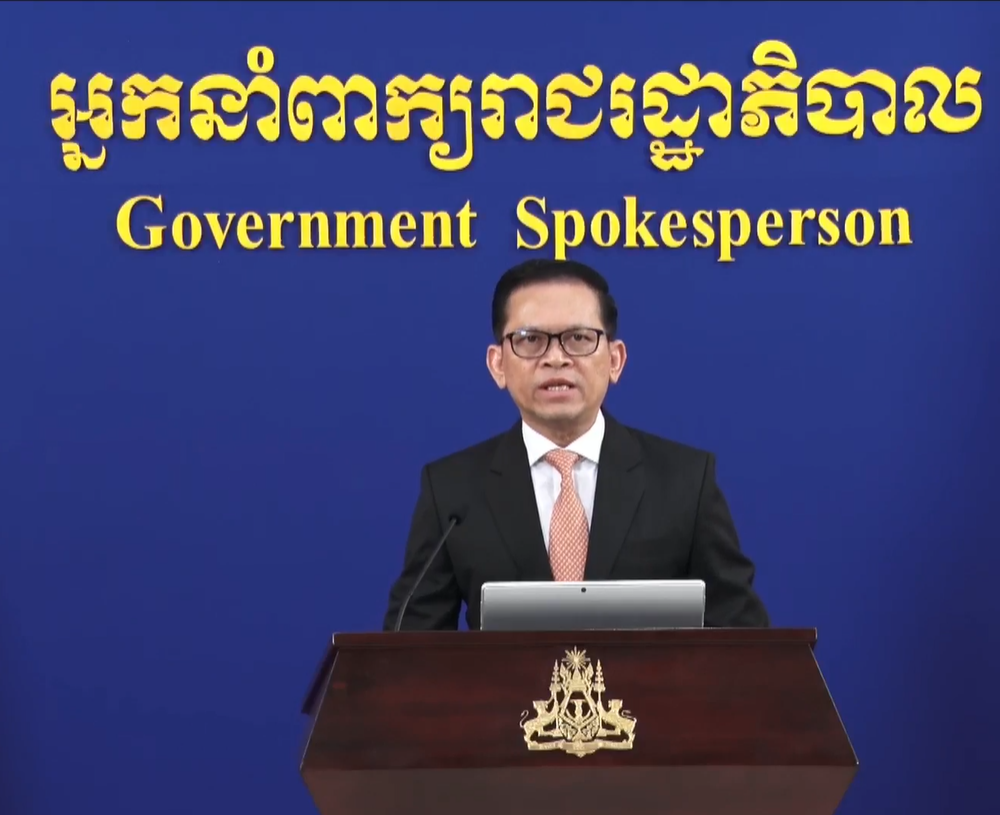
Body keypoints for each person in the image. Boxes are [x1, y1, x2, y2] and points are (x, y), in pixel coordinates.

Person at [382, 258, 769, 631]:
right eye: (530, 339)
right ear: (498, 364)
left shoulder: (685, 481)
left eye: (579, 338)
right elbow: (408, 648)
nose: (555, 358)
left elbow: (744, 638)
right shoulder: (452, 491)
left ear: (615, 360)